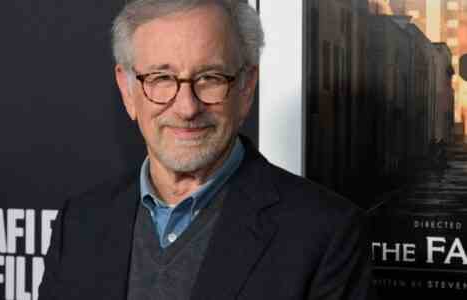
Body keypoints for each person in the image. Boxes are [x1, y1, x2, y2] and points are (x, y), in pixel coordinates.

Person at [38, 0, 374, 299]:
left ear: (246, 88)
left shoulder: (325, 234)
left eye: (210, 78)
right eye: (161, 78)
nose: (186, 107)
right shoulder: (81, 223)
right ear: (128, 92)